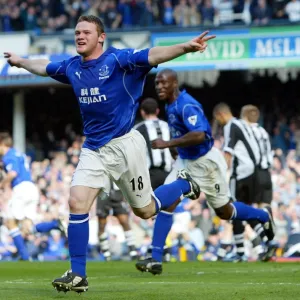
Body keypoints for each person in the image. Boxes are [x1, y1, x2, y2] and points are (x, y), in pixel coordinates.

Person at [5, 15, 215, 293]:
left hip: (126, 145)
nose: (80, 36)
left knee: (145, 210)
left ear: (101, 37)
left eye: (86, 32)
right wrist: (20, 62)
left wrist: (185, 48)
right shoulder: (72, 67)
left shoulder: (119, 61)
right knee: (76, 201)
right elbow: (43, 66)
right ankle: (78, 275)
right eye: (77, 32)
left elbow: (154, 55)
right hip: (93, 148)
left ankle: (184, 184)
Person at [135, 69, 275, 275]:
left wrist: (168, 143)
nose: (159, 87)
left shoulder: (187, 104)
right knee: (168, 202)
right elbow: (181, 132)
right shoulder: (170, 104)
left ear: (175, 84)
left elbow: (200, 134)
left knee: (224, 212)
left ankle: (262, 216)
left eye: (164, 83)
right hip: (185, 161)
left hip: (206, 163)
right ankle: (155, 258)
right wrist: (175, 149)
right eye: (157, 83)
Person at [213, 103, 273, 261]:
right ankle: (264, 242)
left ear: (220, 114)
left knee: (235, 209)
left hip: (241, 174)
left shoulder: (231, 125)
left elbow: (228, 153)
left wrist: (220, 173)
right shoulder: (251, 128)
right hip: (258, 173)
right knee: (243, 211)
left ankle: (243, 250)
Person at [0, 132, 66, 261]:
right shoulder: (18, 154)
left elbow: (13, 173)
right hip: (31, 188)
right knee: (27, 228)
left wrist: (1, 184)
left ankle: (24, 256)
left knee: (10, 222)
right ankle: (54, 224)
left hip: (21, 189)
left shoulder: (9, 155)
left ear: (2, 143)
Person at [240, 104, 276, 261]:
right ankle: (270, 241)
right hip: (266, 173)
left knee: (242, 209)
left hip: (251, 174)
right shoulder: (263, 132)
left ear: (245, 117)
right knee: (266, 209)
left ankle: (257, 245)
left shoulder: (245, 132)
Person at [134, 98, 173, 190]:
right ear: (157, 111)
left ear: (142, 112)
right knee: (167, 203)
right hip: (169, 174)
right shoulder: (168, 126)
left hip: (149, 175)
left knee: (145, 204)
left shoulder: (138, 129)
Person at [96, 181, 138, 261]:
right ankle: (106, 253)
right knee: (101, 223)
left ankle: (133, 251)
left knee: (124, 221)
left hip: (118, 190)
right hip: (103, 191)